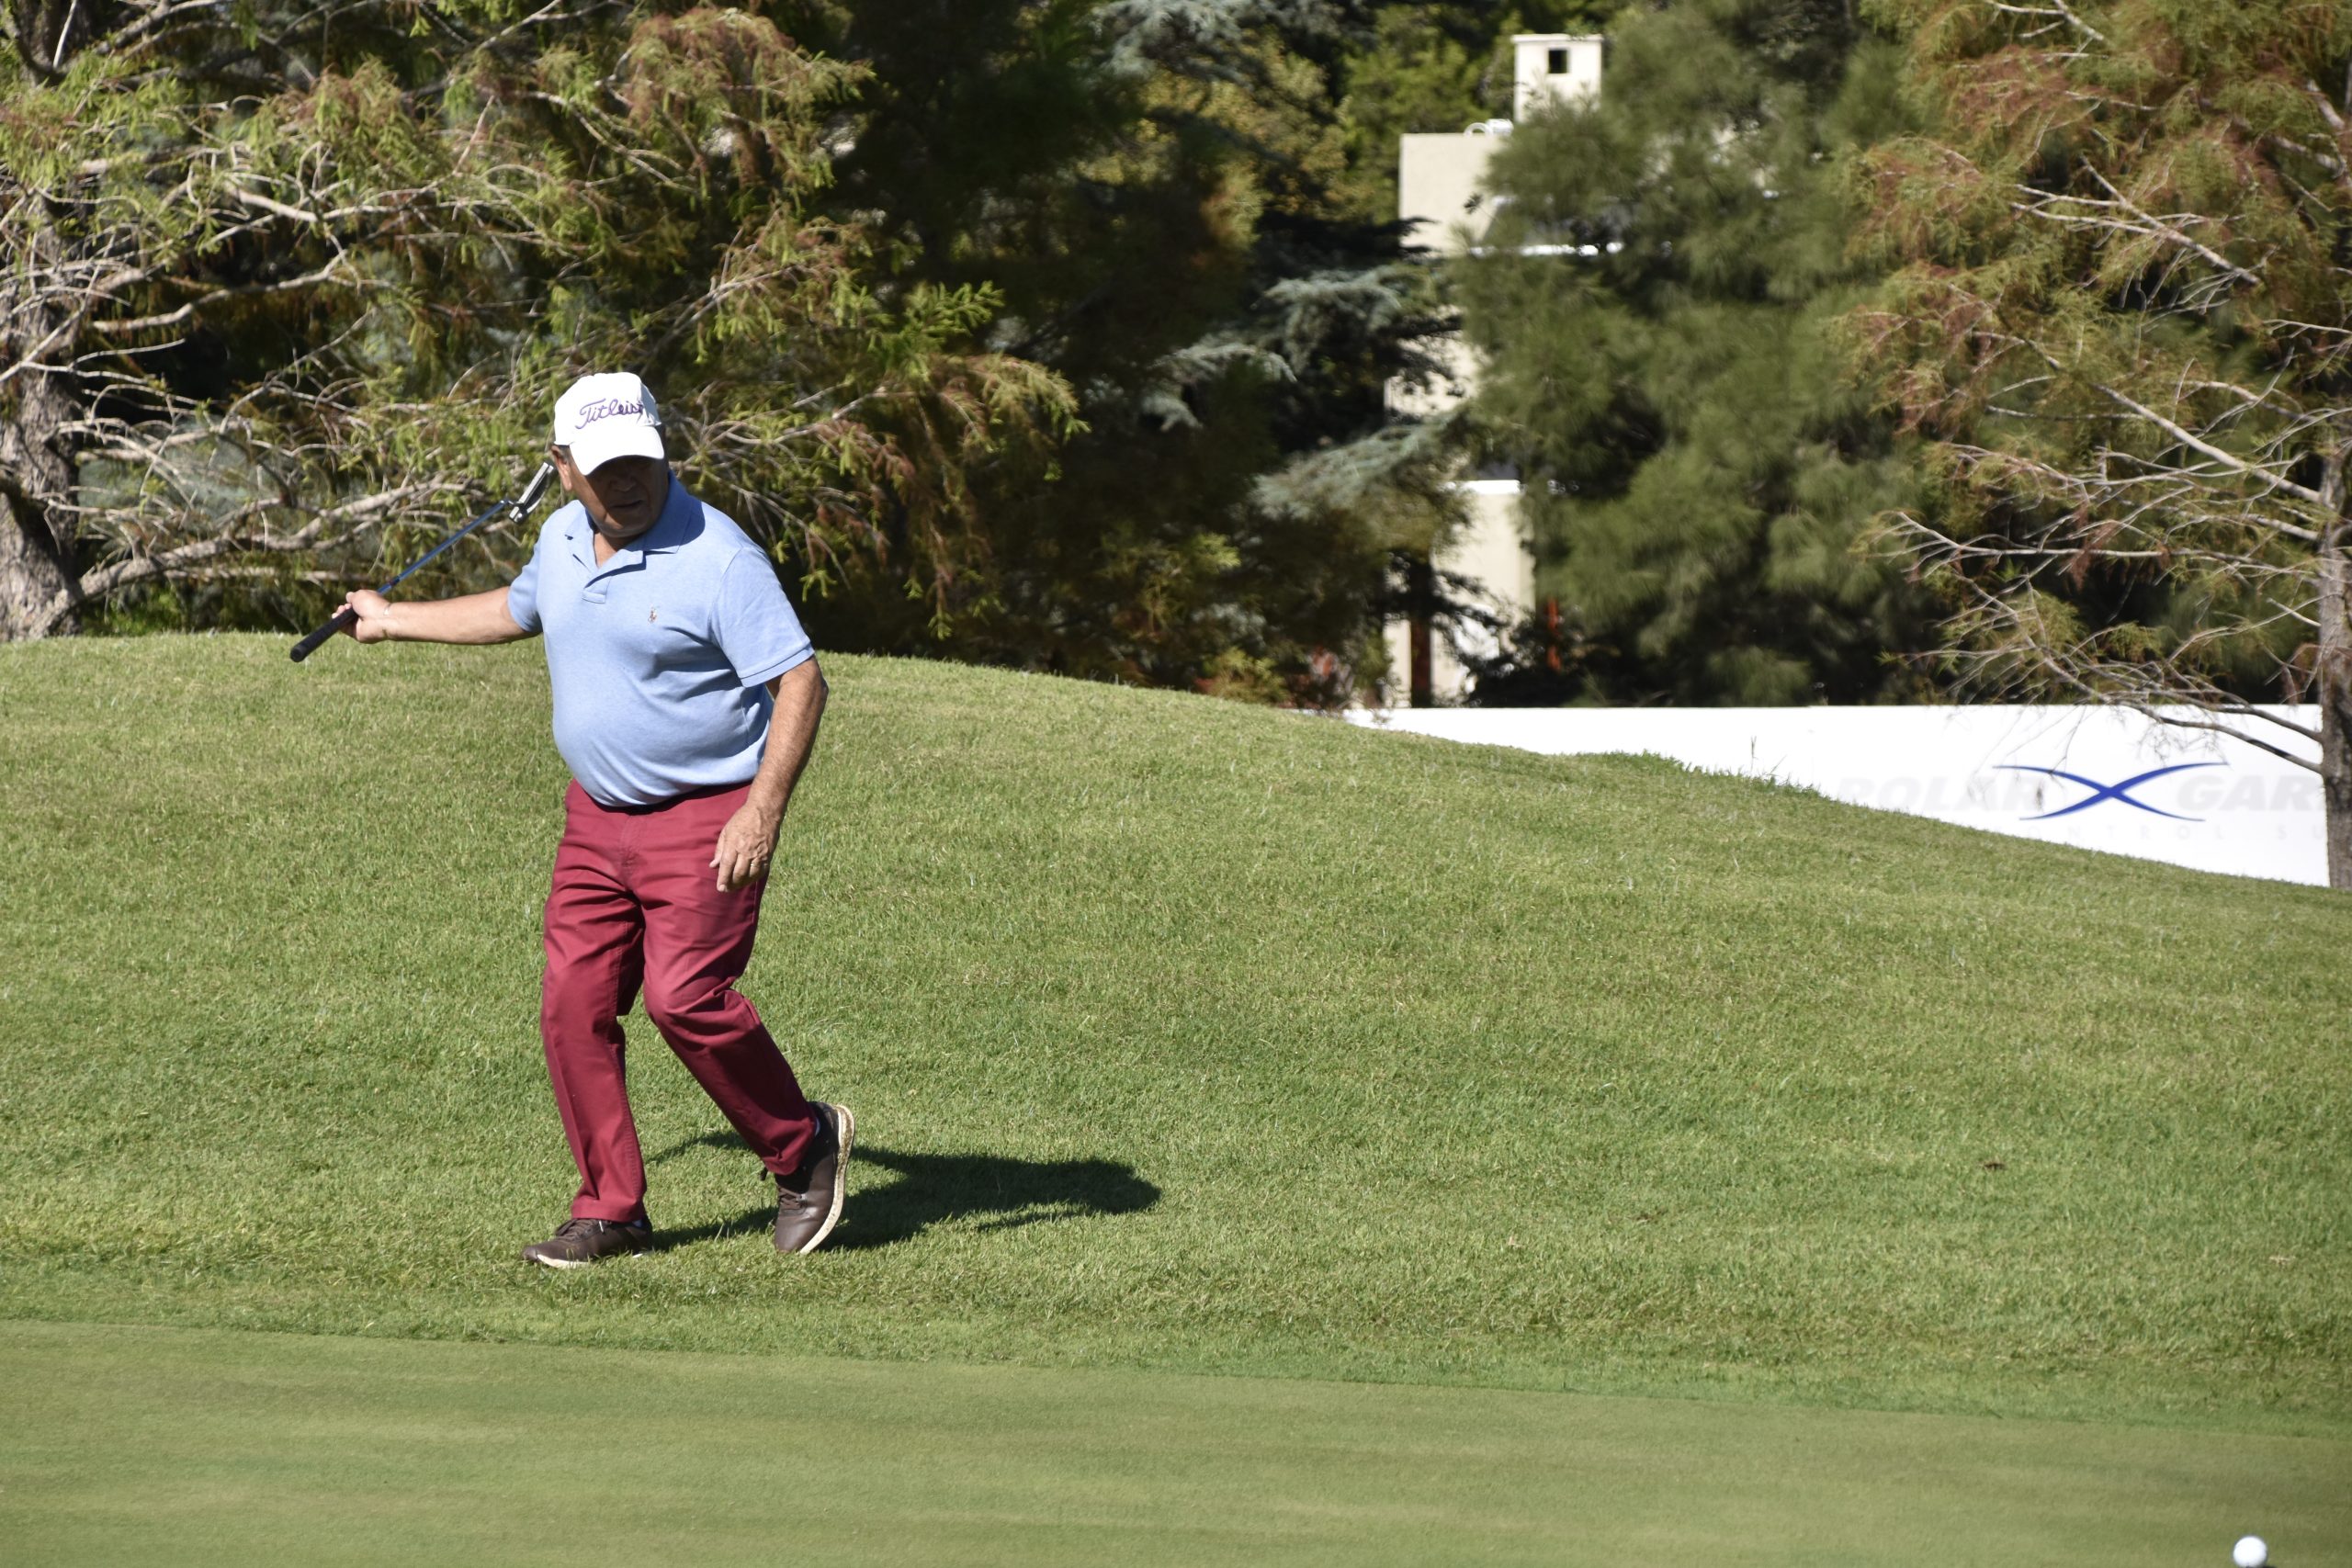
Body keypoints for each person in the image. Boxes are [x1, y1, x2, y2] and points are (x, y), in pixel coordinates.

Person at [334, 371, 851, 1267]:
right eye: (605, 468)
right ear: (563, 466)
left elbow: (800, 680)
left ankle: (801, 1144)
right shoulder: (563, 537)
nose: (628, 483)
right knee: (572, 1007)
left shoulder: (719, 558)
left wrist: (761, 812)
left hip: (706, 817)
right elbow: (516, 608)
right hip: (596, 821)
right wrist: (390, 621)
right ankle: (611, 1208)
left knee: (685, 1000)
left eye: (640, 462)